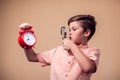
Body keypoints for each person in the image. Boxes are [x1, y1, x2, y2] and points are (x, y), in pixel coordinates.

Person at [21, 14, 100, 80]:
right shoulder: (57, 51)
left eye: (74, 29)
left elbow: (88, 68)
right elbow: (31, 57)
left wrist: (72, 46)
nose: (70, 33)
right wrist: (25, 36)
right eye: (69, 30)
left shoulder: (93, 52)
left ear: (86, 33)